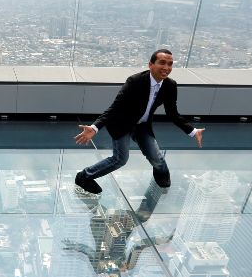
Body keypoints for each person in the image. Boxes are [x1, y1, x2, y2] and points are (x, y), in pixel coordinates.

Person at [74, 49, 204, 193]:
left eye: (170, 64)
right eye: (162, 63)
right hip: (122, 123)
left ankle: (161, 174)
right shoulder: (135, 81)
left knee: (157, 158)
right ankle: (83, 176)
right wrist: (95, 127)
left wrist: (193, 131)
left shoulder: (170, 85)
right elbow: (115, 107)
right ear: (150, 65)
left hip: (142, 125)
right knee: (120, 159)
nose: (166, 68)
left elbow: (172, 113)